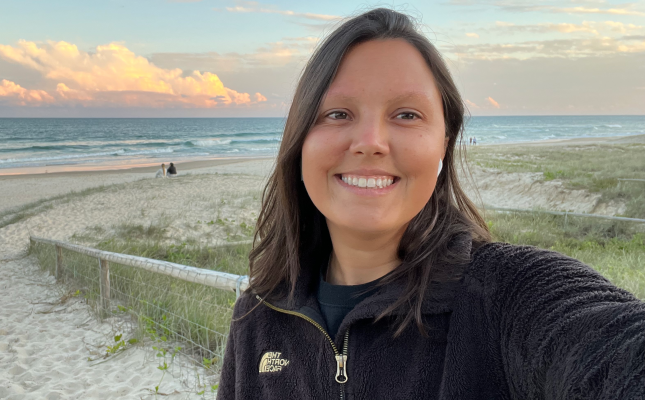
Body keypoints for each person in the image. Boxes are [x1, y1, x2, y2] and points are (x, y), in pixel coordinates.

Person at [217, 8, 644, 400]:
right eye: (337, 114)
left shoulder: (506, 297)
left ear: (444, 141)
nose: (370, 143)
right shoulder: (257, 318)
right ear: (299, 140)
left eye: (406, 115)